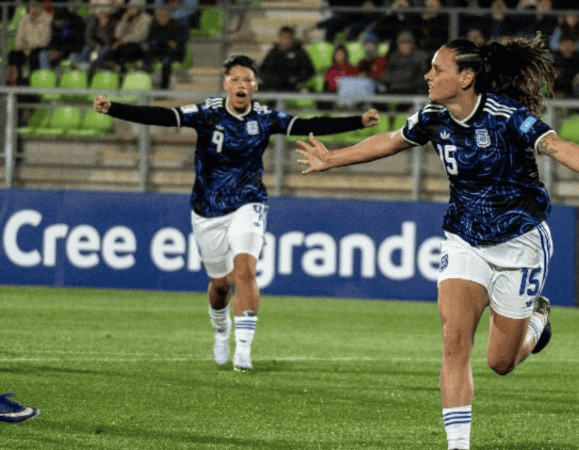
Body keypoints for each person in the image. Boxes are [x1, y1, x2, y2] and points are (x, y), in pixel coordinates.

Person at [296, 36, 579, 449]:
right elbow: (390, 140)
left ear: (466, 77)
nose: (428, 75)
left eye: (437, 69)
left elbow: (558, 146)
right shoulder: (433, 117)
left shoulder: (506, 116)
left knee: (500, 362)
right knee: (454, 342)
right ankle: (458, 445)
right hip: (465, 240)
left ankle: (537, 320)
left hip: (520, 243)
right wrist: (332, 158)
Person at [93, 55, 380, 371]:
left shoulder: (265, 117)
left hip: (249, 201)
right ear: (225, 84)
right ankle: (221, 330)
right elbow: (162, 116)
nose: (242, 85)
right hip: (208, 209)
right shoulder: (207, 113)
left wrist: (358, 121)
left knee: (244, 270)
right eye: (236, 79)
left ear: (255, 86)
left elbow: (309, 124)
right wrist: (114, 108)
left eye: (248, 80)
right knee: (220, 286)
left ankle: (243, 350)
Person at [142, 5, 189, 89]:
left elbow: (177, 46)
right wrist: (165, 41)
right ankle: (146, 85)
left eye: (165, 15)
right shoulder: (154, 26)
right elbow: (150, 42)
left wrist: (163, 41)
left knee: (166, 61)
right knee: (146, 60)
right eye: (160, 15)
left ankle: (164, 89)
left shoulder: (177, 26)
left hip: (174, 54)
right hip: (158, 52)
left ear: (169, 16)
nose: (162, 17)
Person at [257, 26, 315, 93]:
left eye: (287, 38)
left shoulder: (299, 52)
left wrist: (297, 79)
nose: (284, 40)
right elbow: (263, 70)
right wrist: (270, 78)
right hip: (274, 85)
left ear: (292, 39)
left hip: (292, 86)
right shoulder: (273, 52)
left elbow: (310, 71)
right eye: (282, 37)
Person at [7, 1, 52, 86]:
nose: (34, 9)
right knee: (12, 55)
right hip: (25, 48)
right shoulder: (25, 19)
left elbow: (45, 40)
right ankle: (16, 82)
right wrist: (22, 47)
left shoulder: (47, 19)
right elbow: (19, 36)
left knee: (35, 56)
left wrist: (30, 47)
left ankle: (32, 83)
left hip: (40, 48)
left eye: (36, 6)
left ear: (41, 7)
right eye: (32, 6)